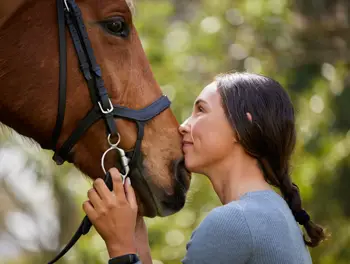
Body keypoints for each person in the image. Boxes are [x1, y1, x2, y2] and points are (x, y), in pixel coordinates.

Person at [82, 72, 326, 264]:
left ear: (243, 127)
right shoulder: (274, 213)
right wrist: (134, 231)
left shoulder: (234, 222)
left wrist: (120, 248)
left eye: (201, 110)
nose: (183, 125)